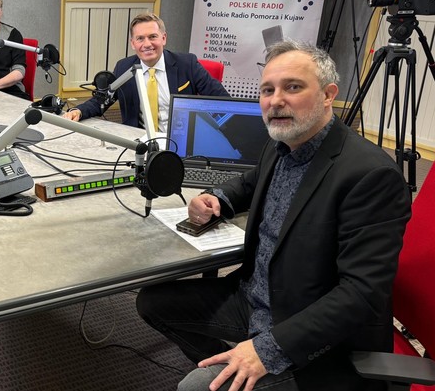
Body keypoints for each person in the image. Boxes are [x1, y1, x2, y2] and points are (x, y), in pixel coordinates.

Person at [135, 40, 412, 390]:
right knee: (152, 302)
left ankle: (242, 371)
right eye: (267, 90)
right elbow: (249, 183)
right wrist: (215, 198)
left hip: (316, 337)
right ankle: (229, 365)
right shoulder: (282, 144)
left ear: (328, 95)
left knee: (195, 387)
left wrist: (267, 351)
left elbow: (361, 294)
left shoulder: (370, 175)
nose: (276, 100)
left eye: (293, 87)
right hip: (255, 298)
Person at [63, 13, 228, 132]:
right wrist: (78, 111)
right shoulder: (124, 68)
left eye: (153, 37)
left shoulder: (187, 64)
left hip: (179, 141)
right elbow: (102, 100)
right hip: (139, 142)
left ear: (163, 38)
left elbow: (223, 101)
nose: (147, 44)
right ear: (132, 43)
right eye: (140, 38)